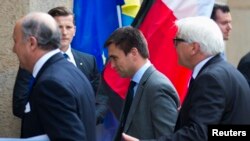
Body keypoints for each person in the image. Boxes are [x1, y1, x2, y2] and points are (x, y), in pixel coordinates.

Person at [122, 16, 250, 141]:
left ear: (194, 48)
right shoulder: (227, 71)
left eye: (177, 41)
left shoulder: (210, 79)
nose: (174, 46)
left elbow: (198, 135)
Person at [12, 6, 104, 124]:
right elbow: (19, 105)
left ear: (74, 30)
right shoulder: (32, 62)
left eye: (68, 27)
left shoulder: (89, 61)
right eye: (59, 27)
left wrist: (86, 119)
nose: (64, 32)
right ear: (48, 31)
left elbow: (100, 99)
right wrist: (64, 119)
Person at [104, 26, 180, 141]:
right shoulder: (135, 84)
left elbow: (170, 138)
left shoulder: (158, 87)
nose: (112, 65)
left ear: (134, 53)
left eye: (115, 58)